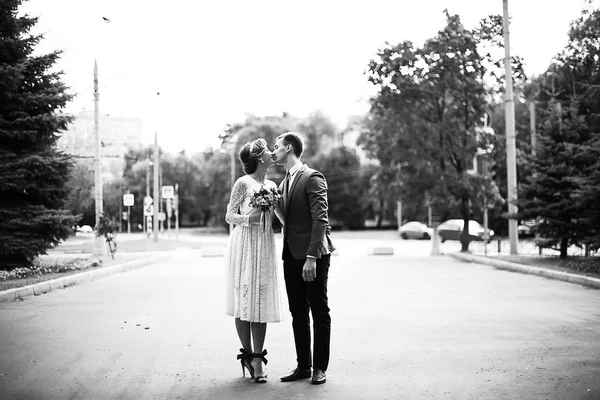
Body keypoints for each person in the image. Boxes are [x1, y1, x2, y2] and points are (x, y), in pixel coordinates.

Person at [271, 132, 335, 385]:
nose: (273, 152)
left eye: (275, 147)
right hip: (290, 255)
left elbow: (321, 220)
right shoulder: (284, 182)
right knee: (298, 312)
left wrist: (311, 257)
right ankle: (303, 366)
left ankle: (320, 367)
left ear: (288, 148)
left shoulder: (312, 177)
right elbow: (287, 219)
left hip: (313, 255)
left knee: (319, 311)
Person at [225, 138, 284, 384]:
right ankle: (248, 355)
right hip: (245, 243)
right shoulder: (243, 183)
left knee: (260, 298)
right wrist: (249, 219)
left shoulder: (272, 184)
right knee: (244, 298)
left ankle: (258, 359)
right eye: (269, 151)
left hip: (265, 244)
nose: (273, 153)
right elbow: (229, 215)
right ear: (260, 158)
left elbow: (280, 214)